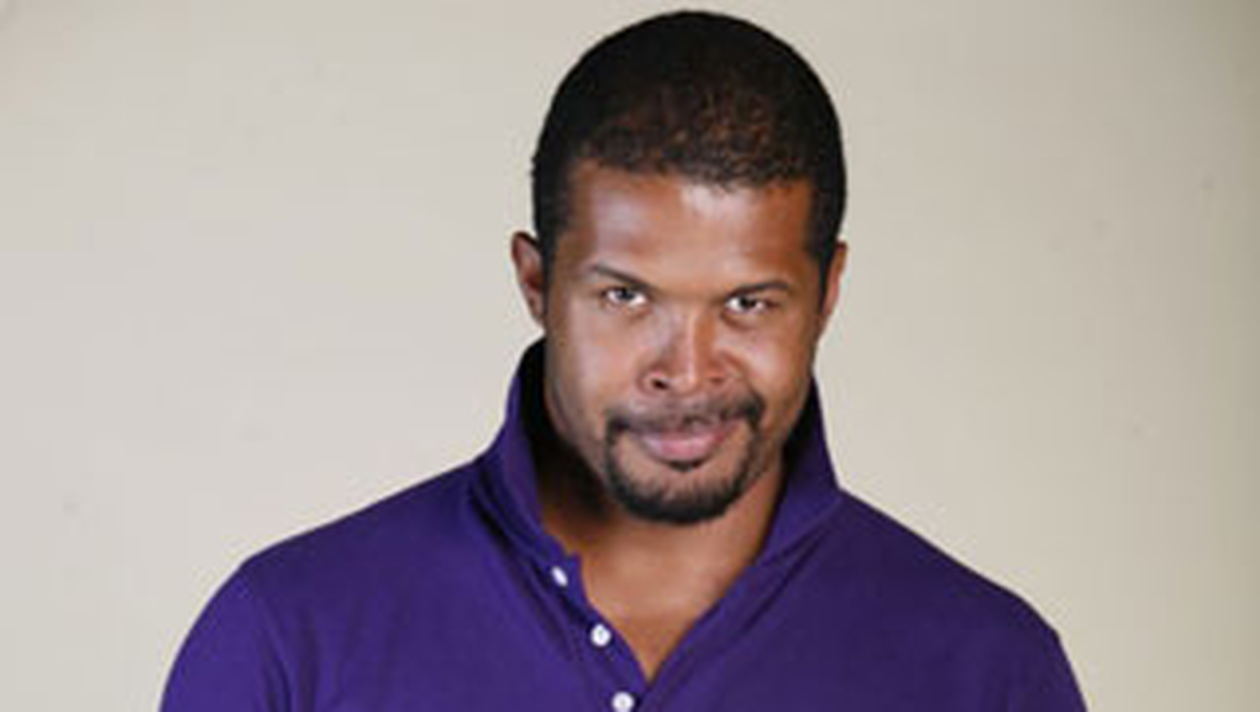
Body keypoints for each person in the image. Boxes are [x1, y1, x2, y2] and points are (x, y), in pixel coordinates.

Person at [162, 11, 1087, 711]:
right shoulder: (291, 639)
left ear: (828, 292)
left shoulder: (988, 672)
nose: (686, 371)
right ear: (536, 282)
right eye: (627, 298)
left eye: (748, 304)